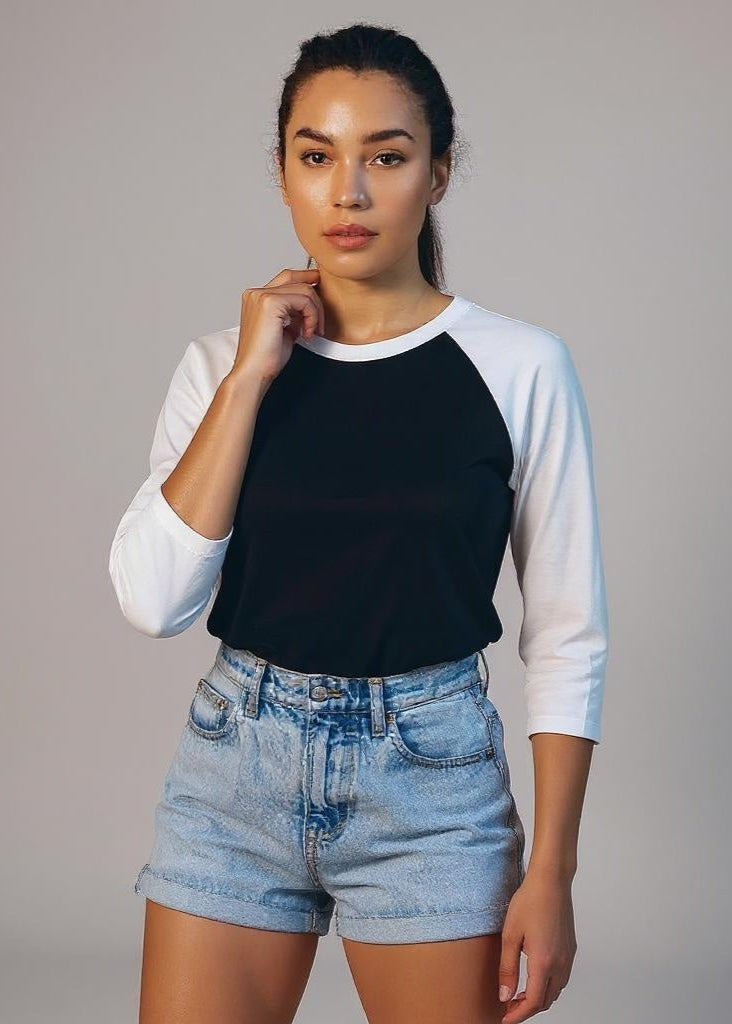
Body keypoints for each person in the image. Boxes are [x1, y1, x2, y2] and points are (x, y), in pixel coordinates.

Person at [109, 22, 609, 1024]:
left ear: (438, 173)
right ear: (284, 170)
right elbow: (154, 601)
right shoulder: (220, 367)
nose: (348, 192)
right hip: (233, 774)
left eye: (386, 155)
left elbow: (567, 633)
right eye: (316, 155)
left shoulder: (519, 365)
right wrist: (254, 375)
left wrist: (551, 874)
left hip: (431, 789)